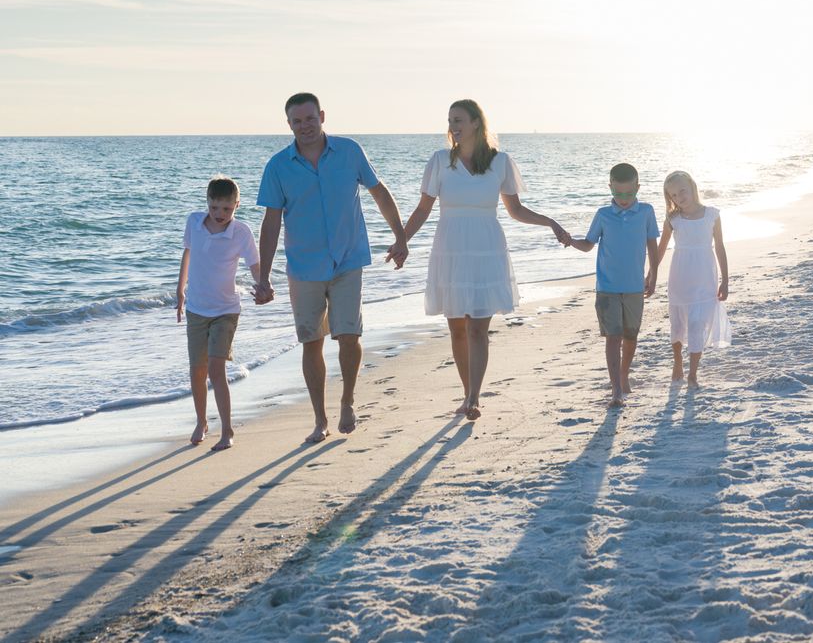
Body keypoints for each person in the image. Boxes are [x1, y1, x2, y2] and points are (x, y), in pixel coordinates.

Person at [254, 92, 409, 444]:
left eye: (310, 118)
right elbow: (271, 222)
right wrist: (263, 277)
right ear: (289, 124)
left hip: (348, 259)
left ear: (322, 116)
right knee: (312, 341)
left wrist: (400, 237)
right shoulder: (278, 166)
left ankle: (348, 400)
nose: (305, 126)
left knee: (349, 335)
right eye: (297, 121)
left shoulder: (350, 152)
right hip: (304, 266)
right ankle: (320, 419)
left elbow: (379, 192)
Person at [403, 99, 569, 421]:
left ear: (476, 123)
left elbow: (515, 210)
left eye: (459, 119)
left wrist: (550, 222)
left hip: (485, 248)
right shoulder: (439, 161)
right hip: (450, 248)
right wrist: (401, 241)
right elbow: (423, 209)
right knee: (457, 330)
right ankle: (467, 392)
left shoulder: (501, 162)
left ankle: (474, 397)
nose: (453, 125)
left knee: (478, 327)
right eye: (450, 120)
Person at [175, 176, 260, 451]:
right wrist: (180, 290)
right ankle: (201, 421)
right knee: (197, 370)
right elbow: (187, 255)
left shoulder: (241, 232)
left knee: (215, 367)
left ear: (237, 205)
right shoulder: (193, 222)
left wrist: (262, 286)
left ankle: (227, 430)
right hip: (196, 309)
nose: (220, 214)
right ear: (207, 203)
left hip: (226, 309)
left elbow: (255, 264)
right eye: (214, 208)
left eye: (226, 209)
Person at [566, 163, 660, 407]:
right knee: (613, 337)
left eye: (629, 193)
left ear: (637, 188)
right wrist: (570, 241)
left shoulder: (646, 212)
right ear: (610, 188)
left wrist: (653, 274)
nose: (624, 199)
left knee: (631, 336)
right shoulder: (603, 215)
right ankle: (616, 390)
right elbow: (589, 244)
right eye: (618, 194)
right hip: (607, 286)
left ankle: (624, 375)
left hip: (634, 287)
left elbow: (652, 245)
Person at [657, 170, 731, 387]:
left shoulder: (712, 215)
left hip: (704, 277)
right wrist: (651, 274)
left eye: (682, 191)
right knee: (678, 323)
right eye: (673, 195)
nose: (679, 197)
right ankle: (678, 360)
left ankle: (693, 374)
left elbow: (719, 247)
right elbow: (661, 248)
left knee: (698, 323)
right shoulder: (673, 220)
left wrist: (725, 280)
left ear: (692, 188)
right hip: (680, 277)